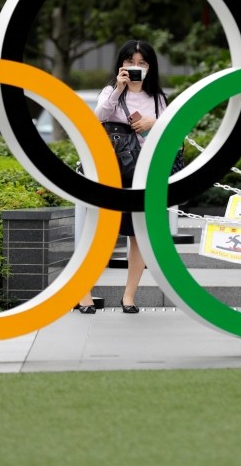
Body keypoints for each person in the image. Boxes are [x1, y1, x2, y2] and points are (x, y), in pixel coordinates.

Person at [77, 39, 168, 314]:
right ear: (121, 65)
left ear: (150, 67)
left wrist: (156, 123)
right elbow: (98, 117)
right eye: (130, 62)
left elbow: (173, 135)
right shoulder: (111, 91)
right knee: (96, 233)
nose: (136, 68)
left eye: (142, 63)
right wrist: (118, 87)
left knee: (137, 234)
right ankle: (83, 295)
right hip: (108, 171)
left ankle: (129, 296)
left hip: (141, 173)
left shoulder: (158, 98)